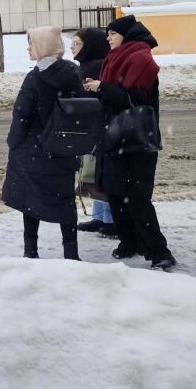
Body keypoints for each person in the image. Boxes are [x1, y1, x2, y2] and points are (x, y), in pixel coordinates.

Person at [84, 15, 177, 271]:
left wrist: (104, 88)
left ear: (126, 35)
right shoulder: (116, 59)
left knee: (136, 198)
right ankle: (129, 243)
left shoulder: (141, 59)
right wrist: (97, 88)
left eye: (112, 33)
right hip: (115, 137)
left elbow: (136, 101)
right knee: (115, 193)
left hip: (137, 141)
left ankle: (160, 253)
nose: (108, 38)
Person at [1, 26, 84, 261]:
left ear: (42, 48)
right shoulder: (72, 73)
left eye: (32, 44)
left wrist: (13, 142)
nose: (29, 48)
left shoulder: (35, 78)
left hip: (35, 151)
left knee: (31, 199)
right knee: (65, 200)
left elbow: (22, 115)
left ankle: (31, 251)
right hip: (65, 150)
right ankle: (71, 252)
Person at [71, 28, 116, 237]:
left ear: (88, 46)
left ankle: (110, 220)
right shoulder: (89, 64)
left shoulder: (97, 66)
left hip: (101, 128)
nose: (72, 47)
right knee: (94, 174)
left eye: (77, 43)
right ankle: (100, 217)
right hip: (94, 127)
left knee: (100, 174)